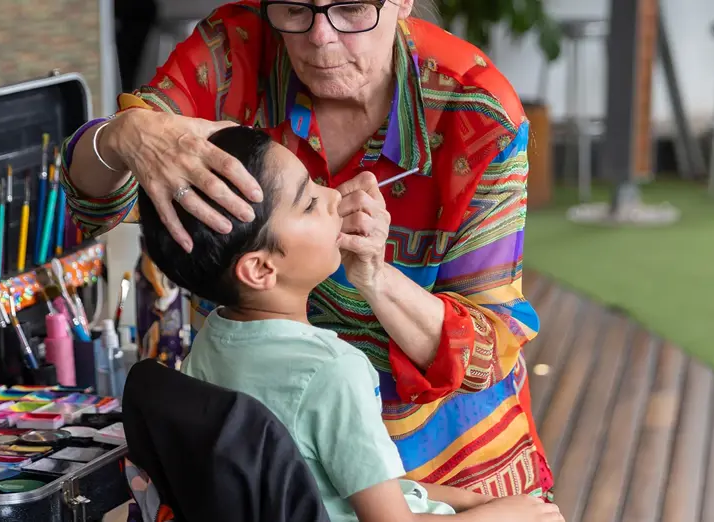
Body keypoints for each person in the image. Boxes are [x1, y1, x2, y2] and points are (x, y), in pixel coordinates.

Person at [60, 0, 552, 502]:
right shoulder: (236, 49)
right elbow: (95, 206)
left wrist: (377, 278)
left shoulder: (475, 113)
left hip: (440, 474)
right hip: (256, 472)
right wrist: (125, 134)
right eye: (295, 8)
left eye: (352, 8)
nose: (320, 37)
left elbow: (484, 353)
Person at [139, 125, 563, 522]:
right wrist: (504, 516)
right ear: (261, 269)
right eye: (308, 202)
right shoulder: (332, 370)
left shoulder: (213, 337)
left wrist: (478, 502)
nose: (333, 196)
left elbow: (368, 487)